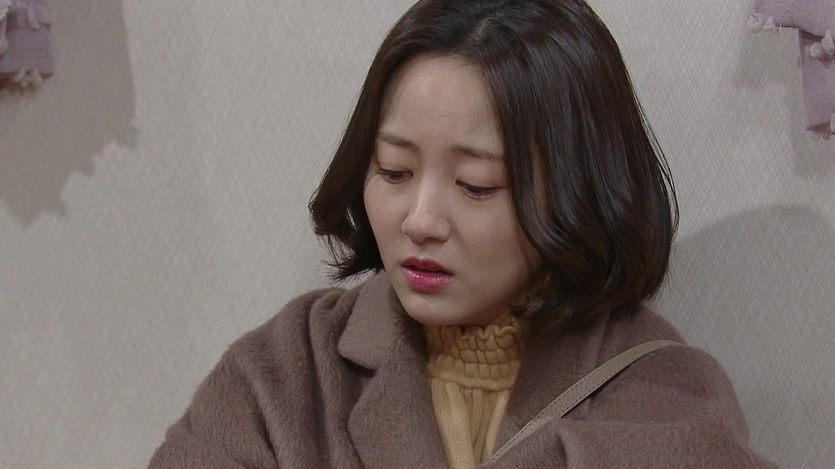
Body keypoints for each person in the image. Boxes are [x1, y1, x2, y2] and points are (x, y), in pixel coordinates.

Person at [149, 1, 776, 467]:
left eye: (477, 185)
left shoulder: (663, 396)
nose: (419, 220)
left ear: (579, 190)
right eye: (394, 171)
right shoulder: (287, 369)